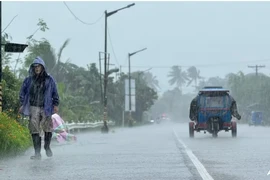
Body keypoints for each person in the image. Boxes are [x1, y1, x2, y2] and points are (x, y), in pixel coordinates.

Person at [19, 57, 60, 160]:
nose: (36, 68)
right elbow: (22, 92)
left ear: (42, 67)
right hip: (33, 106)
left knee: (48, 127)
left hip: (46, 106)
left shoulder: (49, 79)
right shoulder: (28, 80)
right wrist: (22, 104)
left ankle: (47, 146)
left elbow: (55, 92)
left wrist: (55, 104)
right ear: (32, 68)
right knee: (34, 128)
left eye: (38, 66)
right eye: (35, 66)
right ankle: (37, 153)